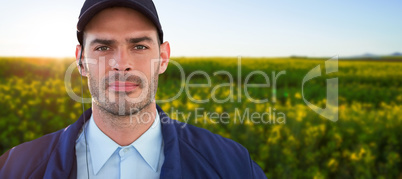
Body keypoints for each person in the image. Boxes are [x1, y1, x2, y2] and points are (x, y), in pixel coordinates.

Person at [0, 0, 266, 178]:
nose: (121, 64)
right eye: (103, 47)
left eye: (139, 46)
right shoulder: (15, 168)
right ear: (81, 61)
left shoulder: (232, 166)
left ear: (163, 58)